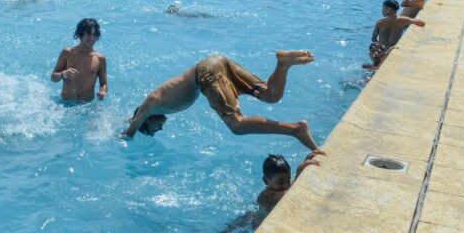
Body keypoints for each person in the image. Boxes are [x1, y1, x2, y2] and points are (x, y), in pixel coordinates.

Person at [123, 51, 324, 153]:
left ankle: (295, 129)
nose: (160, 129)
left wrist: (118, 137)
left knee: (237, 125)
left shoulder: (150, 104)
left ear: (146, 121)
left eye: (153, 130)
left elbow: (130, 130)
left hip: (206, 72)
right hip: (217, 62)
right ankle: (283, 63)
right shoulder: (161, 105)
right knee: (270, 96)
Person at [253, 153, 322, 227]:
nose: (286, 185)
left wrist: (305, 162)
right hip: (257, 226)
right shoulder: (266, 196)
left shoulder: (281, 187)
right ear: (266, 180)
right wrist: (299, 170)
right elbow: (287, 196)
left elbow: (292, 186)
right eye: (280, 182)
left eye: (288, 180)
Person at [50, 18, 108, 102]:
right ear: (80, 35)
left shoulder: (100, 59)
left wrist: (102, 91)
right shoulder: (67, 53)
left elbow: (104, 84)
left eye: (94, 34)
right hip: (65, 103)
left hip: (87, 105)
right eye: (88, 34)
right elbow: (53, 78)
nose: (92, 38)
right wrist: (63, 74)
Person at [367, 0, 426, 68]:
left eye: (383, 8)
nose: (382, 10)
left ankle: (375, 65)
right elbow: (422, 23)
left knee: (372, 49)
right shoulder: (402, 20)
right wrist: (408, 21)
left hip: (381, 52)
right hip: (392, 49)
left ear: (388, 9)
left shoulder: (380, 22)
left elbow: (373, 39)